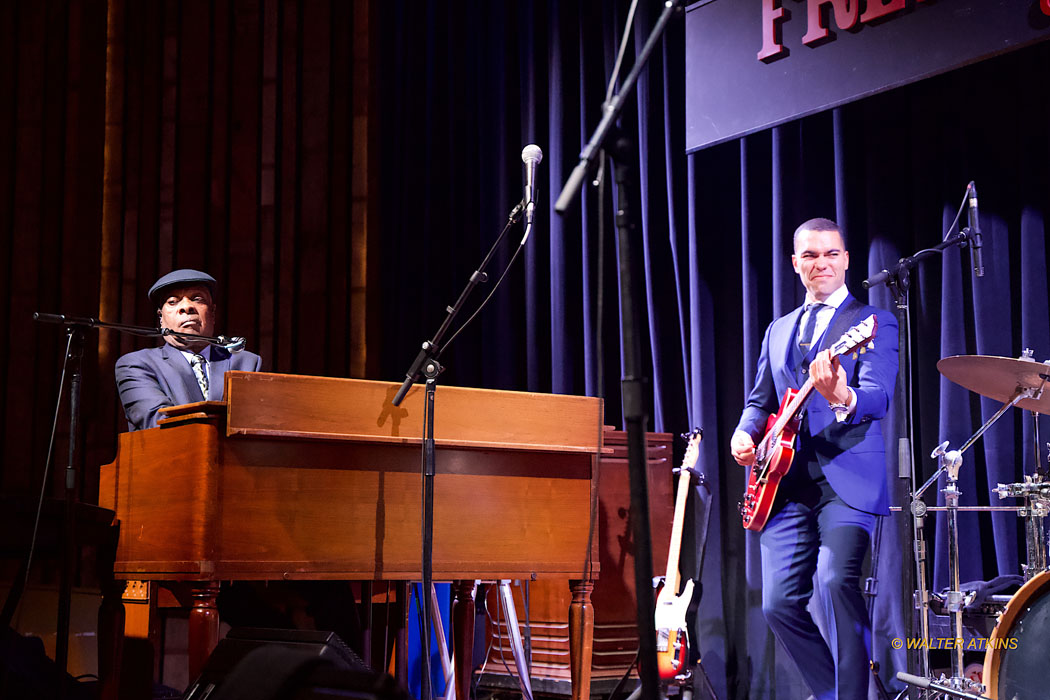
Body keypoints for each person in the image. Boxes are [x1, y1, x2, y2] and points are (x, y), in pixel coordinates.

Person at [730, 218, 899, 700]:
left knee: (835, 581)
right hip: (779, 483)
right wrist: (744, 434)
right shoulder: (778, 330)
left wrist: (841, 393)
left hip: (847, 478)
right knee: (778, 605)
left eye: (830, 254)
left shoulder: (872, 323)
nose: (820, 263)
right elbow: (760, 401)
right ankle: (833, 693)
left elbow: (877, 397)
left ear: (846, 259)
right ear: (795, 264)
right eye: (810, 256)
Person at [115, 269, 262, 431]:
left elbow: (258, 423)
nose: (186, 307)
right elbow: (159, 423)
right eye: (172, 301)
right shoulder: (137, 365)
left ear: (212, 313)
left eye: (197, 299)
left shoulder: (246, 363)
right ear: (161, 319)